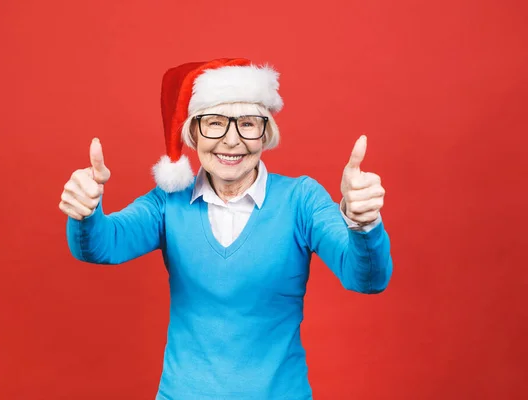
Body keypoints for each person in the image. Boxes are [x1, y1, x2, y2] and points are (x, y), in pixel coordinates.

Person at [59, 58, 393, 400]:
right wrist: (85, 213)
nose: (231, 141)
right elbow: (102, 245)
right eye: (215, 123)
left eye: (248, 124)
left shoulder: (301, 200)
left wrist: (363, 224)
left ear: (266, 132)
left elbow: (365, 278)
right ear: (192, 132)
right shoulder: (168, 202)